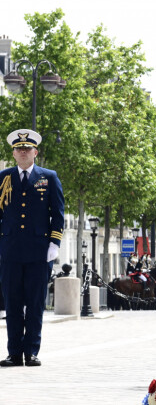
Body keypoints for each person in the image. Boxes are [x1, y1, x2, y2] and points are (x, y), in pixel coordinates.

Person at [0, 129, 65, 367]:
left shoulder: (48, 177)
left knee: (35, 303)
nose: (23, 152)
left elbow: (57, 215)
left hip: (39, 252)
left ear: (35, 152)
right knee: (13, 304)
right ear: (14, 153)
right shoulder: (3, 178)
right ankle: (14, 353)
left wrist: (54, 244)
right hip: (10, 251)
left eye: (27, 149)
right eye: (19, 149)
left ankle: (32, 351)